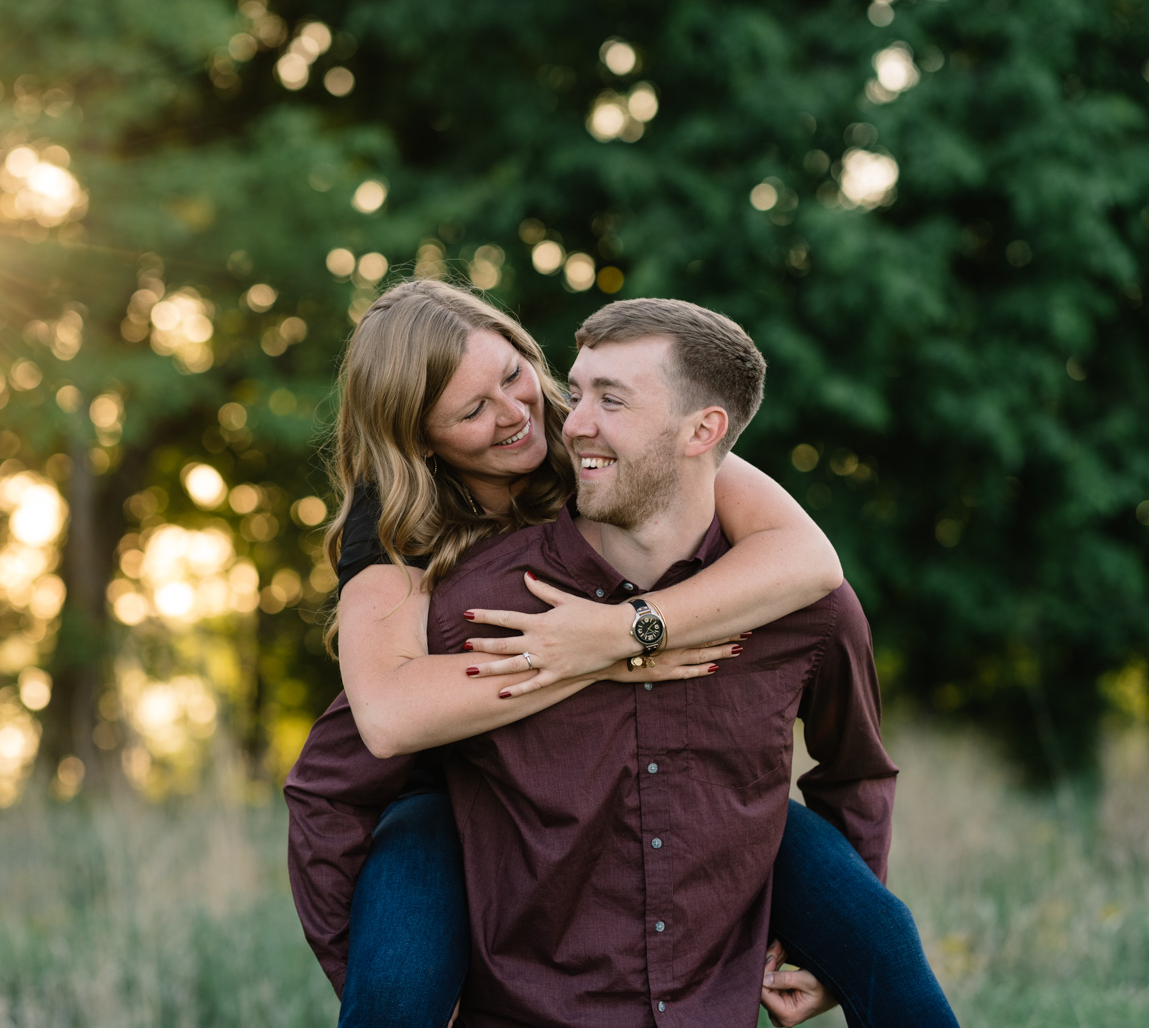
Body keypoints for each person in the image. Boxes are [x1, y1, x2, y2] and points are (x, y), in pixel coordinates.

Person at [288, 283, 958, 1027]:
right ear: (419, 437)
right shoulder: (391, 527)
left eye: (513, 375)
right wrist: (599, 659)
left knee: (878, 936)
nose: (516, 414)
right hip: (467, 787)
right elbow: (384, 716)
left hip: (659, 770)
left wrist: (625, 629)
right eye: (473, 411)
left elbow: (806, 558)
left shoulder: (588, 430)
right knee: (397, 982)